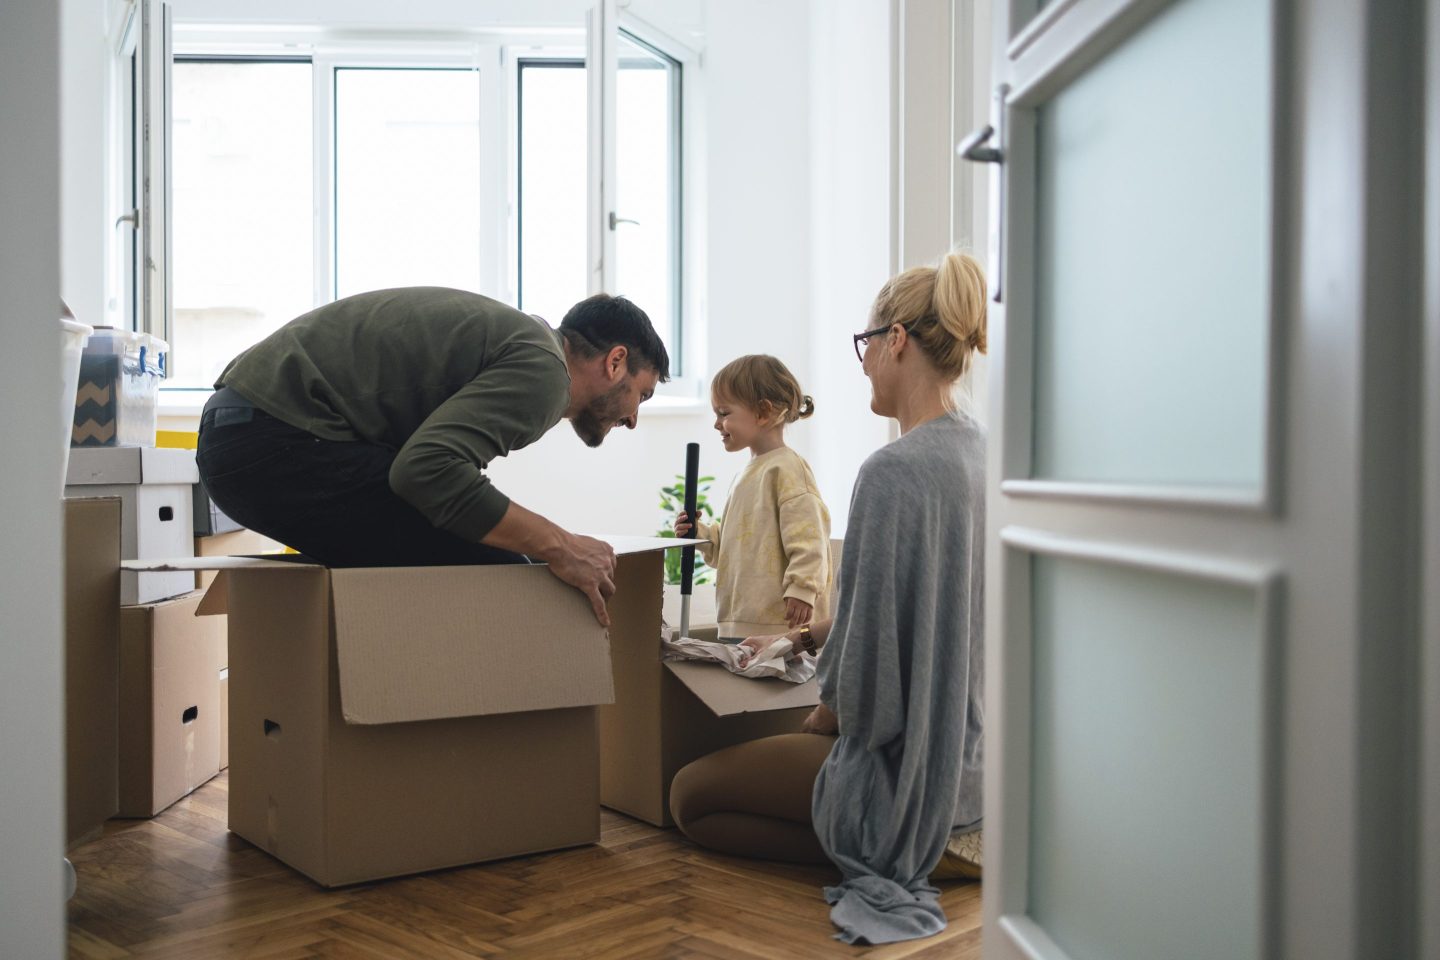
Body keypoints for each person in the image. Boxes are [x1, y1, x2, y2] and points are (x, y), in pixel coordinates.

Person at [668, 251, 988, 945]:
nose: (863, 362)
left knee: (689, 798)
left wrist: (819, 719)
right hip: (978, 771)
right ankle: (931, 845)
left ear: (896, 340)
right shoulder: (983, 455)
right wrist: (809, 638)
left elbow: (861, 687)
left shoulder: (891, 472)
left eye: (866, 345)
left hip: (910, 781)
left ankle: (898, 850)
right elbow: (925, 615)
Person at [195, 286, 669, 626]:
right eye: (641, 396)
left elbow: (433, 473)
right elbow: (427, 472)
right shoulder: (546, 375)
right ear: (615, 362)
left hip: (247, 433)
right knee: (504, 579)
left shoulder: (524, 345)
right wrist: (561, 545)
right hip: (273, 439)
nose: (631, 419)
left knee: (479, 547)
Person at [672, 354, 832, 641]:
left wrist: (802, 588)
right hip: (742, 621)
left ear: (763, 413)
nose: (716, 424)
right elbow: (736, 545)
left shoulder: (787, 470)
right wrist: (701, 534)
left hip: (781, 626)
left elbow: (811, 538)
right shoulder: (747, 474)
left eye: (723, 413)